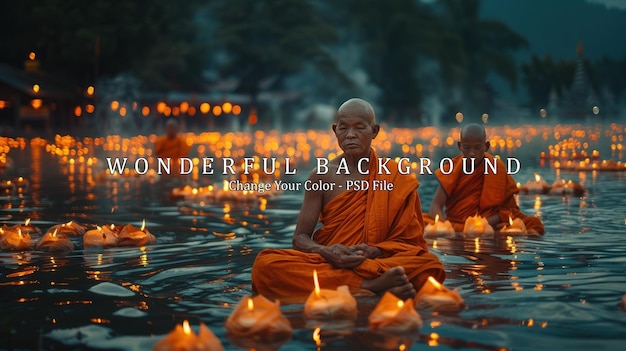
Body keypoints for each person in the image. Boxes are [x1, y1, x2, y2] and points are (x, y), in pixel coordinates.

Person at [251, 98, 445, 300]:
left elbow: (411, 243)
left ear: (375, 131)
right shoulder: (321, 176)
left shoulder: (397, 177)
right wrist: (327, 251)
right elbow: (299, 238)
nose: (350, 135)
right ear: (335, 131)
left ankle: (356, 286)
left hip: (379, 261)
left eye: (360, 128)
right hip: (333, 262)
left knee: (430, 265)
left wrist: (374, 251)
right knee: (265, 265)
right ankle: (369, 285)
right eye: (343, 128)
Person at [428, 123, 544, 235]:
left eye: (477, 148)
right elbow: (435, 206)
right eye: (467, 148)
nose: (472, 153)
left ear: (486, 146)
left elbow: (508, 211)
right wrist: (445, 227)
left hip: (490, 224)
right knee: (417, 222)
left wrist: (483, 224)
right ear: (459, 146)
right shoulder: (451, 169)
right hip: (456, 226)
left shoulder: (496, 168)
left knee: (534, 224)